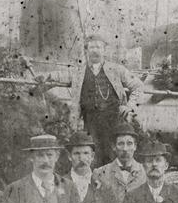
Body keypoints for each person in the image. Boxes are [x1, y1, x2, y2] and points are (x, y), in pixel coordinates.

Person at [52, 35, 144, 165]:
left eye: (99, 47)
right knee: (93, 156)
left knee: (114, 155)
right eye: (92, 47)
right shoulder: (78, 72)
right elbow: (59, 75)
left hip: (114, 121)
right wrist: (45, 77)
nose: (95, 50)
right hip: (90, 122)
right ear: (86, 50)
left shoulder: (116, 69)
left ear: (104, 50)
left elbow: (138, 86)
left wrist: (129, 106)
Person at [93, 122, 146, 203]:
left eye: (129, 143)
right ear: (114, 146)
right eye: (121, 144)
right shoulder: (100, 173)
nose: (125, 149)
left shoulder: (145, 172)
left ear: (135, 146)